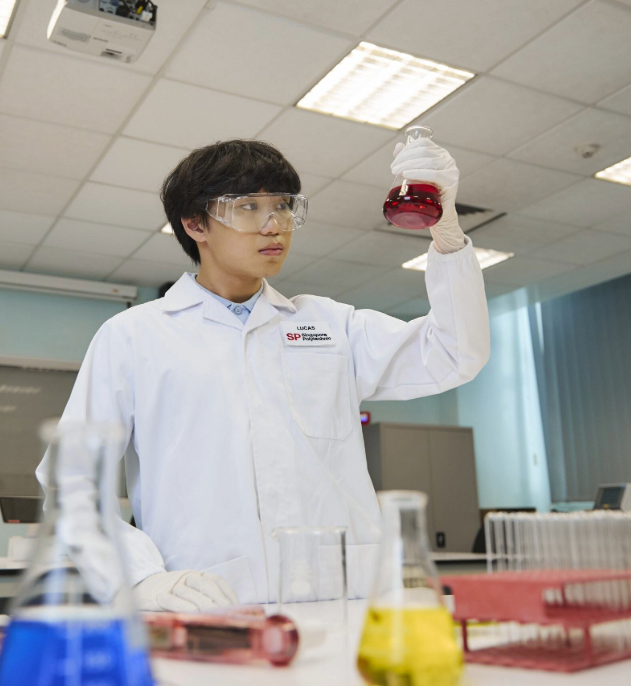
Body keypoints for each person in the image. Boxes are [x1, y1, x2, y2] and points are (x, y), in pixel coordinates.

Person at [36, 138, 490, 612]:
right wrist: (140, 578)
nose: (275, 225)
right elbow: (71, 483)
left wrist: (448, 234)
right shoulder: (133, 336)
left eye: (284, 206)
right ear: (195, 224)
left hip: (344, 600)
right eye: (248, 207)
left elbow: (455, 353)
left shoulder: (329, 325)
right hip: (207, 606)